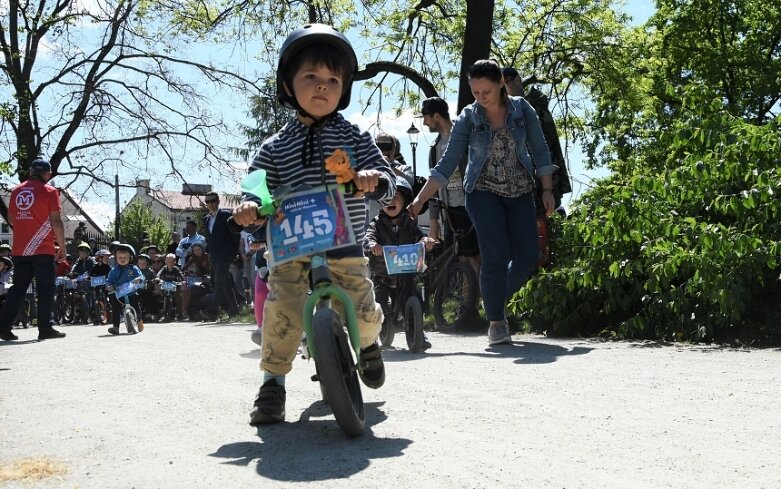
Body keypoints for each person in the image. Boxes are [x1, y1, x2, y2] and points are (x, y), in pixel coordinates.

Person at [232, 23, 394, 425]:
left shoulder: (355, 137)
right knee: (282, 313)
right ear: (288, 85)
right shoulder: (273, 148)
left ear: (344, 89)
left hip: (345, 246)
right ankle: (273, 384)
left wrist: (374, 180)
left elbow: (389, 179)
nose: (322, 86)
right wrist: (249, 206)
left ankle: (369, 345)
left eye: (332, 80)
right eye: (310, 77)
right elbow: (255, 188)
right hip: (291, 250)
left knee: (362, 309)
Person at [408, 60, 557, 346]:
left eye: (485, 91)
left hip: (520, 190)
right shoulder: (469, 117)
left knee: (528, 257)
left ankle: (491, 297)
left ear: (501, 83)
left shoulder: (523, 110)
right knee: (495, 255)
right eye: (475, 92)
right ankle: (497, 323)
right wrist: (420, 199)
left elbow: (540, 149)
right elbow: (447, 162)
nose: (480, 97)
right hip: (482, 192)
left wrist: (547, 189)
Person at [363, 177, 435, 350]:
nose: (391, 201)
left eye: (396, 197)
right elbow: (368, 238)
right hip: (383, 274)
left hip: (405, 272)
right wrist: (373, 245)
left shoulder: (409, 223)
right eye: (387, 198)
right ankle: (372, 337)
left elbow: (420, 237)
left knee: (414, 296)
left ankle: (418, 331)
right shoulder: (376, 223)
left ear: (405, 202)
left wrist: (426, 241)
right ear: (380, 203)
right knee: (378, 301)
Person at [0, 159, 67, 341]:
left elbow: (12, 220)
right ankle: (45, 327)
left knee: (18, 288)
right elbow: (56, 221)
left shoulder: (16, 191)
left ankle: (4, 326)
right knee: (45, 288)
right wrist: (62, 247)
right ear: (47, 174)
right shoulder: (50, 191)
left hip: (20, 249)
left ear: (30, 172)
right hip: (42, 248)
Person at [420, 96, 482, 281]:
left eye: (426, 117)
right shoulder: (435, 148)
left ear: (436, 116)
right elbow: (433, 183)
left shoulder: (464, 136)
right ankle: (470, 302)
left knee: (475, 255)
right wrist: (433, 220)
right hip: (451, 211)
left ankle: (482, 299)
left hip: (472, 204)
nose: (424, 122)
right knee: (462, 256)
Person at [203, 191, 241, 319]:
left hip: (226, 254)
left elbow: (235, 235)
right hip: (214, 256)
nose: (211, 204)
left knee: (218, 280)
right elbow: (210, 238)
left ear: (218, 201)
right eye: (207, 201)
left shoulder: (226, 215)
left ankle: (212, 310)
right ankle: (234, 309)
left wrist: (235, 253)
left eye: (213, 200)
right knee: (224, 282)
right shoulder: (206, 219)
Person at [106, 243, 145, 335]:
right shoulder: (114, 270)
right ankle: (116, 327)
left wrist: (139, 279)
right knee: (116, 308)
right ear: (116, 258)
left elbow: (141, 276)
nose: (122, 260)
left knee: (136, 306)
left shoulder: (133, 268)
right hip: (119, 294)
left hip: (131, 292)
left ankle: (139, 321)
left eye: (125, 257)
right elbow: (109, 281)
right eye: (120, 257)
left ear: (130, 258)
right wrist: (109, 286)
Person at [181, 242, 211, 321]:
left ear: (202, 249)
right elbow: (185, 266)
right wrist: (180, 272)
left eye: (198, 249)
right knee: (194, 290)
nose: (197, 252)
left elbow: (210, 269)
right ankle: (192, 313)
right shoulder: (193, 258)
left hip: (210, 278)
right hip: (201, 279)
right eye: (194, 250)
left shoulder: (207, 256)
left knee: (201, 291)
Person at [157, 253, 185, 320]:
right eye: (169, 261)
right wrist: (157, 278)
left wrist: (183, 280)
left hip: (174, 286)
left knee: (178, 298)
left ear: (174, 262)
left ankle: (180, 313)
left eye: (172, 262)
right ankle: (163, 312)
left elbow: (181, 275)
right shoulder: (164, 268)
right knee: (161, 294)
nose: (170, 263)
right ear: (166, 261)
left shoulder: (176, 269)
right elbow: (159, 273)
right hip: (165, 285)